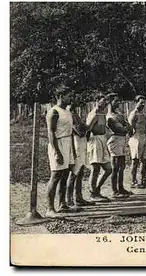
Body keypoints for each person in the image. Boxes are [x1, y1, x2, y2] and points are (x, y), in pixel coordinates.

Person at [45, 84, 75, 217]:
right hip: (58, 143)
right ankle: (50, 209)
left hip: (68, 143)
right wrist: (57, 152)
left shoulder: (67, 111)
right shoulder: (54, 111)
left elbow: (71, 132)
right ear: (61, 96)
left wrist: (72, 150)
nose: (71, 98)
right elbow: (51, 133)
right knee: (56, 175)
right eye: (68, 95)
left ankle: (62, 204)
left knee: (65, 174)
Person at [66, 101, 94, 208]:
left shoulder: (74, 113)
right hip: (76, 145)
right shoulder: (69, 114)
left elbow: (83, 128)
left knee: (81, 172)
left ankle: (78, 197)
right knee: (73, 173)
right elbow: (80, 131)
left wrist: (85, 127)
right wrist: (86, 127)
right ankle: (69, 200)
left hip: (82, 145)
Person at [106, 93, 134, 198]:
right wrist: (125, 126)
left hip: (121, 139)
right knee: (115, 166)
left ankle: (121, 188)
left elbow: (129, 127)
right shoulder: (110, 116)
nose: (118, 103)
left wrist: (125, 125)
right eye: (116, 101)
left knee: (122, 165)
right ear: (110, 102)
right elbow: (121, 129)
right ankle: (114, 190)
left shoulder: (118, 114)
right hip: (115, 139)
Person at [86, 93, 112, 202]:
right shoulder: (94, 114)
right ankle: (93, 194)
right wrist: (87, 145)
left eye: (106, 101)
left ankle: (97, 189)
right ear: (96, 101)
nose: (105, 103)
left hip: (103, 140)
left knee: (108, 169)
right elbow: (88, 130)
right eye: (103, 101)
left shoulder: (103, 113)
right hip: (95, 140)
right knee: (95, 168)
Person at [128, 95, 146, 188]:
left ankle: (143, 180)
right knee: (135, 160)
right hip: (136, 137)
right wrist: (133, 137)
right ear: (135, 103)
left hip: (144, 136)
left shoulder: (142, 114)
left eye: (144, 103)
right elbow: (130, 127)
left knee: (145, 160)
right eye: (140, 103)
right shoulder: (133, 113)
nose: (142, 105)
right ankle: (133, 181)